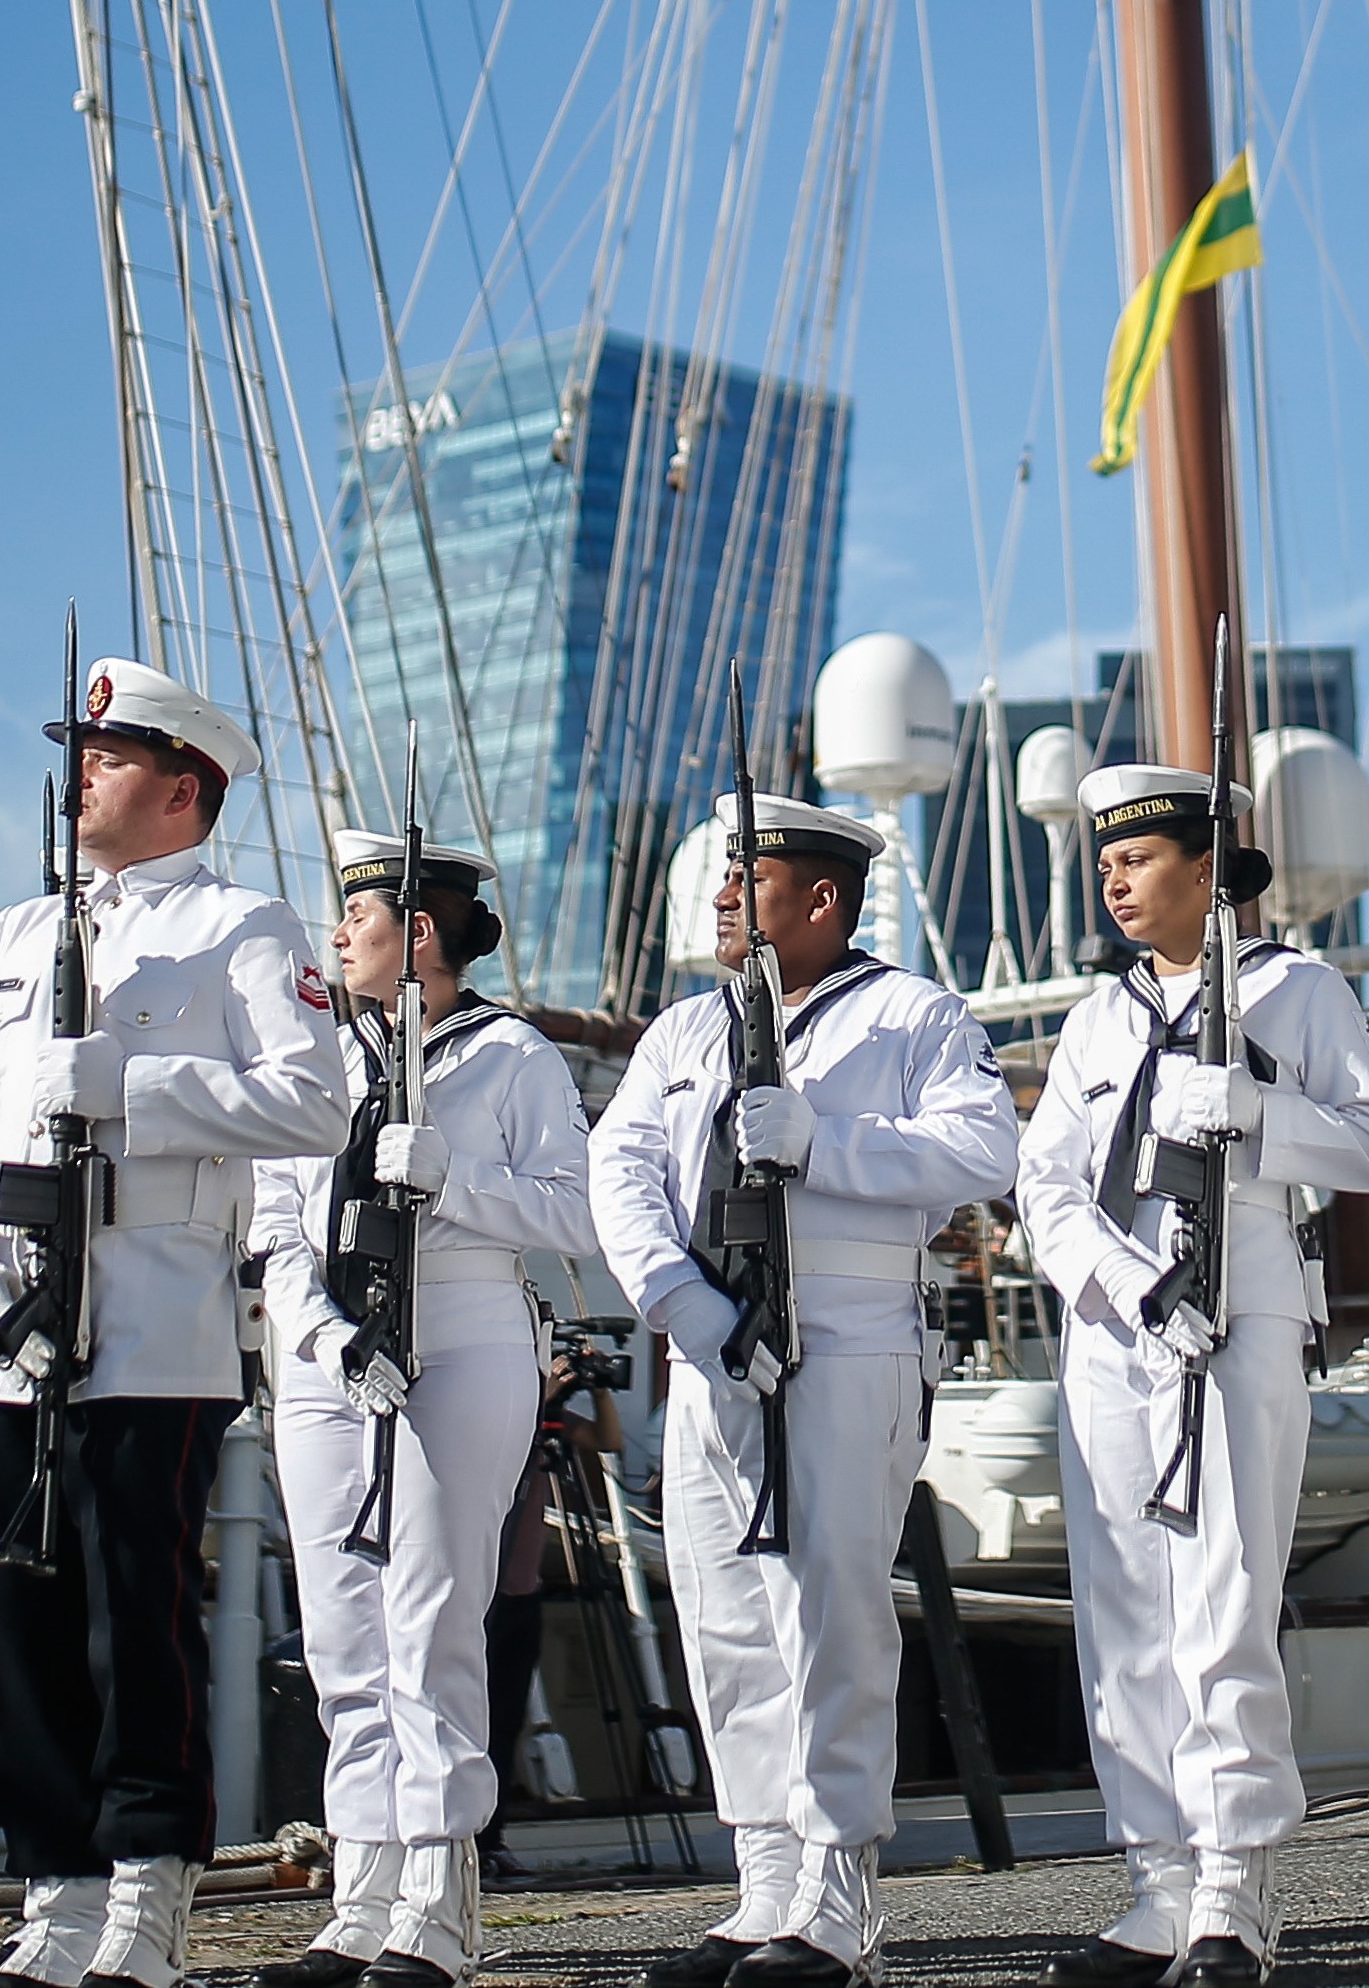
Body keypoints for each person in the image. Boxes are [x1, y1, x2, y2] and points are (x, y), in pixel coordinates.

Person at [0, 658, 349, 1988]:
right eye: (80, 750)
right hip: (8, 1323)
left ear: (179, 786)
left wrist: (133, 1084)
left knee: (129, 1617)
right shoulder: (13, 934)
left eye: (107, 754)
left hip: (150, 1323)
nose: (80, 769)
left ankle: (149, 1884)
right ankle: (54, 1885)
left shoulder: (247, 929)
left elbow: (312, 1101)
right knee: (17, 1620)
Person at [598, 790, 1017, 1988]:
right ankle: (763, 1885)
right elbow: (619, 1174)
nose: (724, 894)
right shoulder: (684, 1035)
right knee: (725, 1617)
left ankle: (838, 1898)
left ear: (822, 896)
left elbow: (987, 1150)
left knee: (829, 1610)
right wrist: (685, 1307)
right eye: (725, 875)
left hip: (847, 1327)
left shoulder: (908, 1015)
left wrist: (826, 1139)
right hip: (712, 1339)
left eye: (750, 876)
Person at [1014, 764, 1369, 1988]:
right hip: (1118, 1322)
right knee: (1123, 1608)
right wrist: (1126, 1286)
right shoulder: (1098, 1019)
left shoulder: (1296, 991)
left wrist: (1262, 1112)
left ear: (1206, 868)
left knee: (1222, 1597)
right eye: (1106, 860)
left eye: (1139, 857)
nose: (1115, 878)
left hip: (1244, 1304)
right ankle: (1156, 1881)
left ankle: (1235, 1885)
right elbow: (1047, 1183)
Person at [253, 832, 603, 1988]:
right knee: (342, 1633)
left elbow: (576, 1214)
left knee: (432, 1613)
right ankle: (360, 1892)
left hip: (462, 1329)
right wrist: (327, 1334)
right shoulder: (317, 1056)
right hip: (327, 1350)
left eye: (357, 917)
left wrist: (452, 1175)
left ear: (419, 935)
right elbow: (274, 1220)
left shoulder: (510, 1056)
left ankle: (437, 1901)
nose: (338, 934)